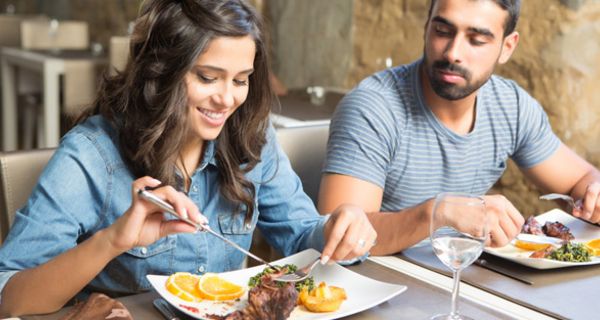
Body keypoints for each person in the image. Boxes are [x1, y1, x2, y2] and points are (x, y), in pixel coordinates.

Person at [0, 0, 376, 316]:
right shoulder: (91, 154)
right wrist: (113, 240)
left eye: (240, 79)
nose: (227, 99)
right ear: (160, 72)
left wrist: (336, 231)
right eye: (208, 77)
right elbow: (8, 294)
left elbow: (301, 238)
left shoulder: (253, 140)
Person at [318, 0, 600, 256]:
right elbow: (337, 235)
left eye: (476, 40)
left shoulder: (511, 106)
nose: (453, 53)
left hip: (461, 280)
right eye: (442, 31)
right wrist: (437, 213)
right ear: (426, 28)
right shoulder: (373, 107)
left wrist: (593, 193)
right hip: (380, 289)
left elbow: (580, 181)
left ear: (507, 47)